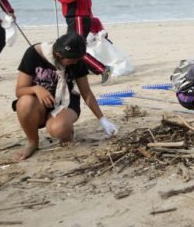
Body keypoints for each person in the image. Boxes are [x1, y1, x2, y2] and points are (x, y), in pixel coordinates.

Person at [13, 33, 118, 161]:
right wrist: (36, 89)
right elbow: (19, 90)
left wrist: (102, 120)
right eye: (72, 59)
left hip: (65, 101)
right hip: (39, 103)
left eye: (78, 59)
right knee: (24, 102)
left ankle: (66, 131)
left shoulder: (77, 60)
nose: (75, 62)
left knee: (58, 129)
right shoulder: (34, 53)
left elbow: (86, 92)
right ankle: (33, 142)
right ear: (58, 55)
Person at [50, 0, 111, 83]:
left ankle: (102, 69)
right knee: (70, 48)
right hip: (80, 18)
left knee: (75, 49)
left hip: (78, 18)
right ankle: (71, 76)